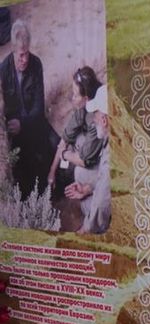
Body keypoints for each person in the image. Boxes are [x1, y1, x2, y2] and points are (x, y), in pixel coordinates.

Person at [0, 19, 58, 198]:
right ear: (13, 49)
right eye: (21, 55)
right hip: (14, 130)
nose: (25, 59)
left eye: (27, 53)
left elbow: (39, 107)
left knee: (56, 144)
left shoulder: (36, 64)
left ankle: (56, 187)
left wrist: (23, 123)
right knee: (23, 166)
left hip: (33, 121)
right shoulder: (3, 70)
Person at [46, 66, 105, 190]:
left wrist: (64, 154)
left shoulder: (97, 118)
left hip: (105, 160)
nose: (72, 98)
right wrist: (52, 171)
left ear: (86, 98)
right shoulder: (83, 105)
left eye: (76, 95)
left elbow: (84, 160)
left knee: (80, 173)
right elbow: (66, 137)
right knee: (76, 141)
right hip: (89, 148)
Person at [64, 84, 111, 234]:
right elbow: (107, 181)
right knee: (82, 174)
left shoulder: (111, 155)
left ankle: (100, 232)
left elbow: (103, 201)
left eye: (96, 114)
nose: (94, 119)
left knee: (91, 206)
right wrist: (88, 188)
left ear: (104, 120)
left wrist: (85, 229)